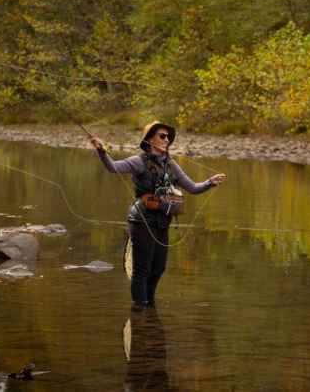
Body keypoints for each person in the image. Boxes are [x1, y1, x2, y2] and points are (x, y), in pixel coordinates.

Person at [90, 120, 225, 306]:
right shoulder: (138, 162)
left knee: (158, 268)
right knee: (142, 270)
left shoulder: (172, 165)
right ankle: (140, 310)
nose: (166, 139)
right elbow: (113, 167)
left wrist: (210, 182)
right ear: (150, 139)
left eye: (168, 137)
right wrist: (101, 150)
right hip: (141, 220)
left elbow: (193, 188)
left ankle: (148, 304)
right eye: (162, 136)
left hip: (162, 222)